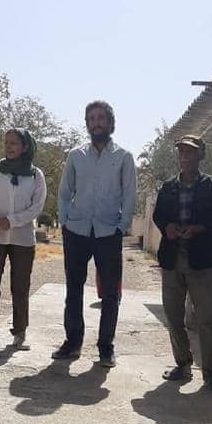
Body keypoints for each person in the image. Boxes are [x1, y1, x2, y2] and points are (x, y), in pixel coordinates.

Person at [53, 100, 137, 367]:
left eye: (101, 118)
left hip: (107, 232)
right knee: (74, 289)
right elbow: (65, 191)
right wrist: (64, 221)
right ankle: (73, 343)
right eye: (92, 119)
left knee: (110, 293)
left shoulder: (123, 156)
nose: (96, 123)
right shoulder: (76, 155)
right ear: (87, 124)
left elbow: (130, 194)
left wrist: (121, 227)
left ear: (110, 123)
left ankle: (105, 347)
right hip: (77, 230)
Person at [153, 135, 212, 396]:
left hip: (202, 262)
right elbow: (159, 215)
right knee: (174, 317)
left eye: (191, 152)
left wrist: (200, 228)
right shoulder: (168, 188)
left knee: (207, 319)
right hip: (172, 260)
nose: (185, 156)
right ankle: (183, 365)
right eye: (182, 151)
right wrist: (169, 227)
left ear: (201, 156)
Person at [0, 128, 47, 350]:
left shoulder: (36, 175)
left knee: (21, 287)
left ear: (25, 146)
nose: (9, 146)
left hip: (23, 239)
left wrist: (11, 221)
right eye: (6, 142)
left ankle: (20, 333)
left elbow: (37, 207)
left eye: (14, 143)